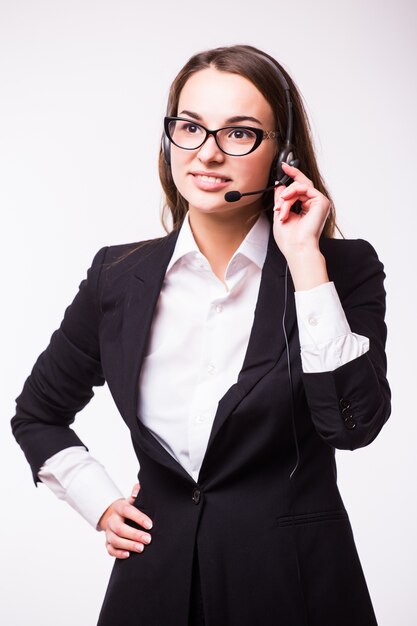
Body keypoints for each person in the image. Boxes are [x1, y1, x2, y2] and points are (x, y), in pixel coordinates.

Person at [11, 44, 390, 626]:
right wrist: (100, 502)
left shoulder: (343, 269)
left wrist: (305, 261)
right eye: (190, 127)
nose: (208, 154)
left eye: (239, 134)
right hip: (154, 588)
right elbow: (37, 413)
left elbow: (352, 427)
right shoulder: (117, 276)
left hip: (295, 589)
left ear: (281, 153)